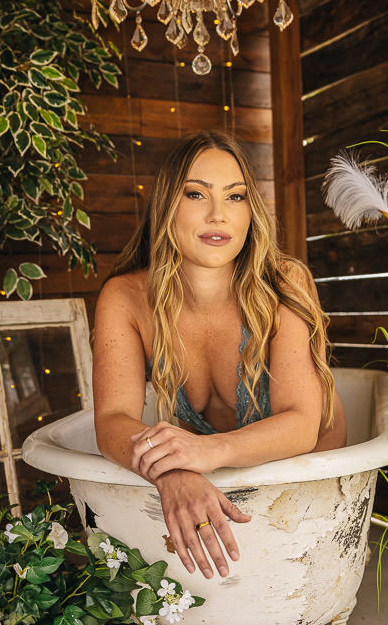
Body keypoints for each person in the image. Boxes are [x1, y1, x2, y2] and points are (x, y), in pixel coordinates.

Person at [92, 131, 347, 581]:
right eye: (196, 194)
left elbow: (302, 423)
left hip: (308, 476)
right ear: (167, 204)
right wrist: (171, 472)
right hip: (208, 471)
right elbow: (112, 418)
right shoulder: (126, 297)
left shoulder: (283, 283)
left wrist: (204, 452)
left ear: (251, 211)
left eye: (235, 196)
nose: (218, 214)